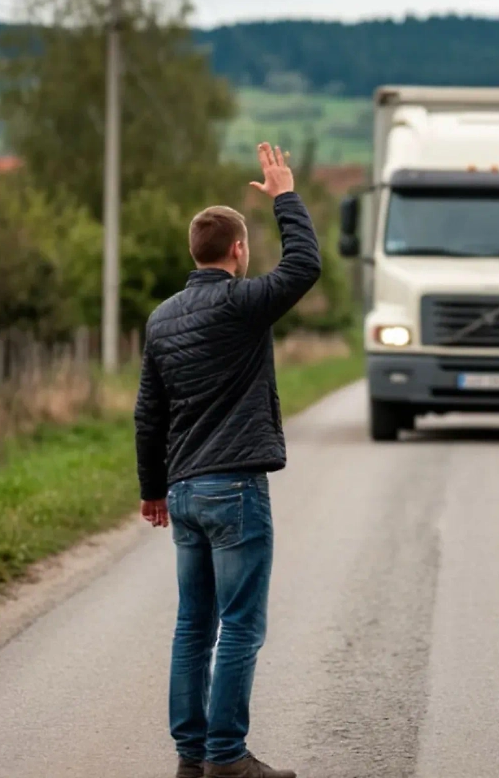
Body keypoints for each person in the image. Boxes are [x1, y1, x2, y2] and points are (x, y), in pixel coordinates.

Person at [135, 143, 321, 778]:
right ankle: (227, 758)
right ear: (238, 251)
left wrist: (152, 488)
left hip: (183, 491)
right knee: (240, 626)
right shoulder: (242, 305)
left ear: (195, 251)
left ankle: (192, 757)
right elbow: (304, 266)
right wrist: (285, 197)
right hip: (234, 488)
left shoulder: (161, 320)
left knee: (193, 627)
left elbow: (148, 414)